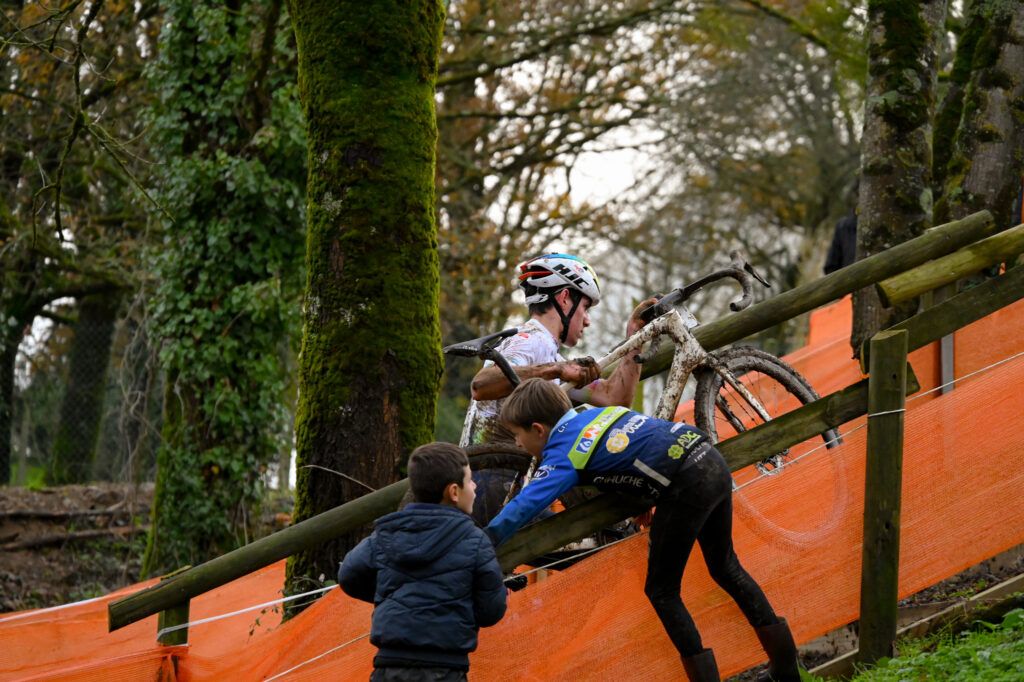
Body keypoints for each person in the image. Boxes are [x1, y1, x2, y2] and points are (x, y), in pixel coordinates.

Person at [485, 378, 802, 682]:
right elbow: (637, 448)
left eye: (517, 435)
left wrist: (486, 538)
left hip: (686, 484)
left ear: (538, 429)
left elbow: (525, 504)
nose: (517, 443)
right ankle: (786, 669)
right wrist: (642, 495)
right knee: (726, 567)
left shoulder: (562, 452)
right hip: (709, 458)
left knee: (662, 592)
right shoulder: (600, 414)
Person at [338, 443, 508, 682]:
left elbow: (348, 575)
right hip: (446, 670)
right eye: (470, 480)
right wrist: (459, 606)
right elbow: (492, 610)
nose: (475, 485)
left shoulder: (386, 535)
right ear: (454, 492)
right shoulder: (475, 541)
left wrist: (390, 597)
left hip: (389, 667)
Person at [460, 252, 655, 449]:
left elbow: (613, 398)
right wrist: (557, 370)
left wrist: (635, 334)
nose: (587, 320)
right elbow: (480, 385)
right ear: (564, 298)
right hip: (493, 465)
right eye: (585, 307)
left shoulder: (548, 353)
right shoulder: (530, 340)